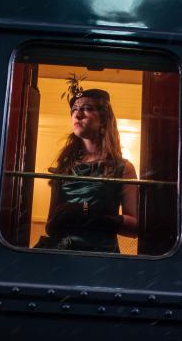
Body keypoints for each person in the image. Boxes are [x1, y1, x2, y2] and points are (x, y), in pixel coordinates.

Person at [34, 89, 138, 253]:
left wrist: (89, 213)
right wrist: (64, 217)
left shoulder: (123, 168)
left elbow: (134, 228)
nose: (78, 115)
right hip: (63, 257)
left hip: (101, 257)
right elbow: (50, 226)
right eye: (74, 109)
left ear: (104, 118)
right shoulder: (65, 166)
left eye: (87, 108)